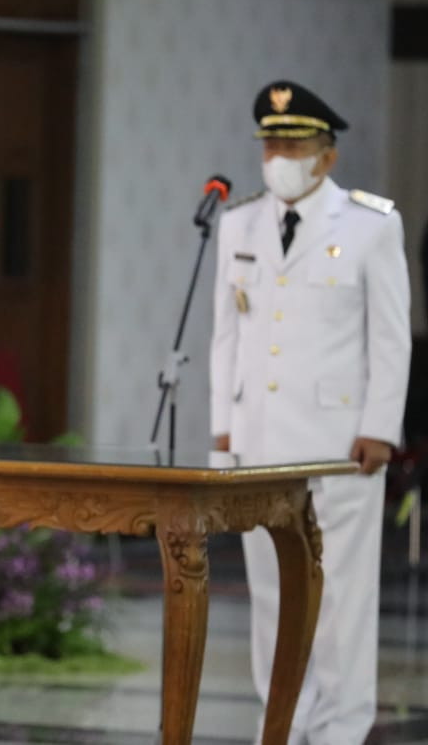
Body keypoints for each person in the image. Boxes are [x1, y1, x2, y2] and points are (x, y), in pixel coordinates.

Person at [210, 80, 410, 744]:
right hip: (260, 448)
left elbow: (390, 335)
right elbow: (226, 337)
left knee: (341, 603)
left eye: (291, 143)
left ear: (326, 154)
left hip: (338, 448)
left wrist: (380, 426)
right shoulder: (238, 222)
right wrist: (223, 432)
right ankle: (283, 725)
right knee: (270, 598)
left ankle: (341, 730)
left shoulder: (370, 225)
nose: (277, 155)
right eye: (270, 142)